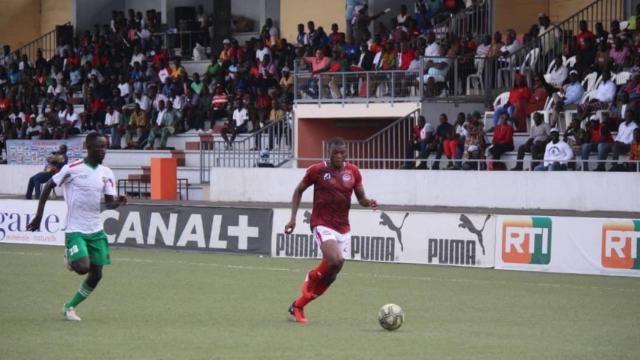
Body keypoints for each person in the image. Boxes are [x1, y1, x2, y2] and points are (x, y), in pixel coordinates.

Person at [27, 132, 127, 321]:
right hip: (75, 229)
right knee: (82, 267)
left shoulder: (106, 173)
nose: (103, 151)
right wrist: (39, 215)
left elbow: (109, 203)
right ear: (87, 148)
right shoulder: (72, 168)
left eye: (105, 147)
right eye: (99, 147)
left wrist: (117, 201)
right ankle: (70, 255)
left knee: (96, 275)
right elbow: (48, 185)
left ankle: (69, 307)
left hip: (96, 229)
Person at [285, 137, 378, 323]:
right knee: (335, 259)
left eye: (343, 152)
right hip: (321, 223)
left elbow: (361, 198)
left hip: (343, 227)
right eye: (336, 152)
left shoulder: (353, 172)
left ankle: (298, 305)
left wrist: (369, 202)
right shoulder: (317, 170)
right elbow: (298, 191)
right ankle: (311, 276)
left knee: (333, 274)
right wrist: (293, 218)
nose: (339, 156)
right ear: (329, 153)